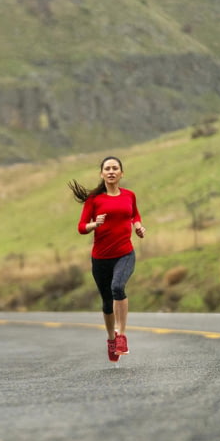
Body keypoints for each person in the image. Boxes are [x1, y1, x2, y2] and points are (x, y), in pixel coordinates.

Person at [68, 156, 146, 363]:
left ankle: (121, 336)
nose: (111, 171)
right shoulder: (95, 200)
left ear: (122, 173)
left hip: (125, 253)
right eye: (107, 169)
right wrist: (95, 224)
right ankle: (111, 339)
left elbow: (135, 215)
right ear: (102, 174)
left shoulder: (129, 195)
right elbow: (81, 227)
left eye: (115, 168)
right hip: (101, 258)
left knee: (118, 287)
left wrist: (138, 226)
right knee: (106, 302)